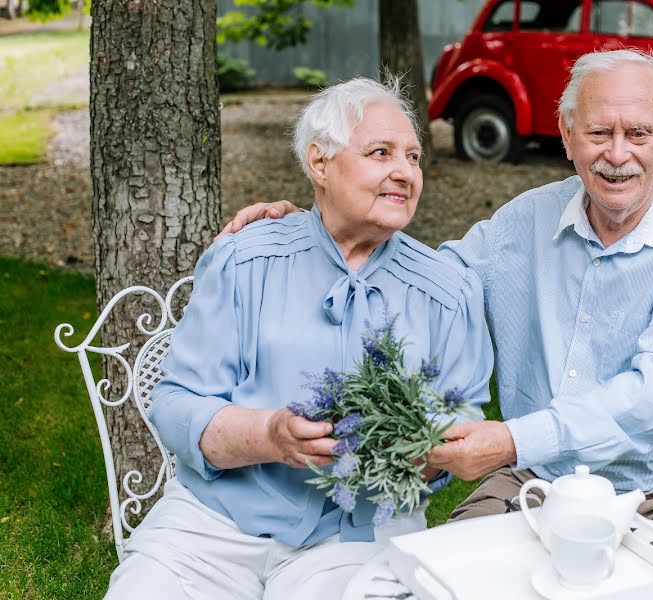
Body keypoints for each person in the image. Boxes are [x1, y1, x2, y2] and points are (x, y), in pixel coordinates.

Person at [222, 49, 653, 549]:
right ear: (567, 135)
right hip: (541, 481)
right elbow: (424, 279)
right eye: (599, 132)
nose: (617, 154)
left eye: (638, 134)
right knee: (453, 577)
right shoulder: (525, 220)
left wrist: (510, 440)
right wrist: (322, 231)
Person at [104, 78, 493, 600]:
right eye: (380, 153)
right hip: (213, 525)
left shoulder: (447, 292)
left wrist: (422, 452)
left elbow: (460, 421)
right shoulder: (246, 260)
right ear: (319, 164)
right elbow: (175, 406)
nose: (404, 172)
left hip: (358, 534)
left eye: (414, 157)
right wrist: (270, 435)